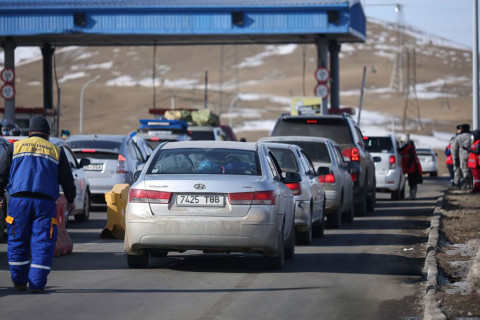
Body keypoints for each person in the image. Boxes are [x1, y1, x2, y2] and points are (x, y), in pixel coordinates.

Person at [0, 116, 76, 293]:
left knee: (17, 240)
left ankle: (19, 281)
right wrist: (70, 201)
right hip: (45, 204)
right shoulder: (56, 151)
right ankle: (37, 284)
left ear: (29, 133)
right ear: (48, 134)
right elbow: (67, 179)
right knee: (42, 243)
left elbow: (2, 173)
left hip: (19, 202)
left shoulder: (15, 147)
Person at [399, 134, 423, 200]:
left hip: (414, 169)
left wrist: (409, 164)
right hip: (411, 169)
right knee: (411, 182)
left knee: (413, 183)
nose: (401, 143)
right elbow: (400, 150)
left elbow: (412, 158)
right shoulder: (405, 148)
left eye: (402, 142)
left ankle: (412, 196)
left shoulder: (410, 148)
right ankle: (412, 195)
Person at [452, 123, 472, 190]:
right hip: (472, 155)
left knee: (465, 169)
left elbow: (455, 149)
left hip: (463, 156)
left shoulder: (459, 137)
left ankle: (467, 184)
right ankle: (471, 184)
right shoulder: (472, 136)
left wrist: (455, 159)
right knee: (472, 170)